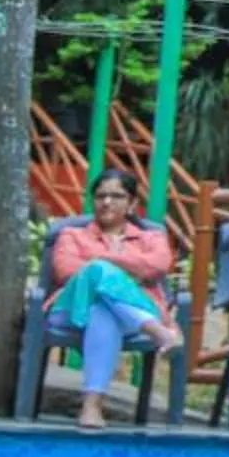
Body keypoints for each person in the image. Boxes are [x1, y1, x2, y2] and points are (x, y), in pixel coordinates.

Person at [47, 166, 181, 431]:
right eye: (100, 196)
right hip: (71, 310)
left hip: (126, 316)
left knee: (103, 309)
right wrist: (122, 269)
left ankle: (91, 406)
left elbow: (157, 265)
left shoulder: (151, 238)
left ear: (132, 203)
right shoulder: (72, 234)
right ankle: (159, 332)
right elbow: (65, 270)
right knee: (97, 273)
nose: (107, 202)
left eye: (117, 196)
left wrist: (99, 260)